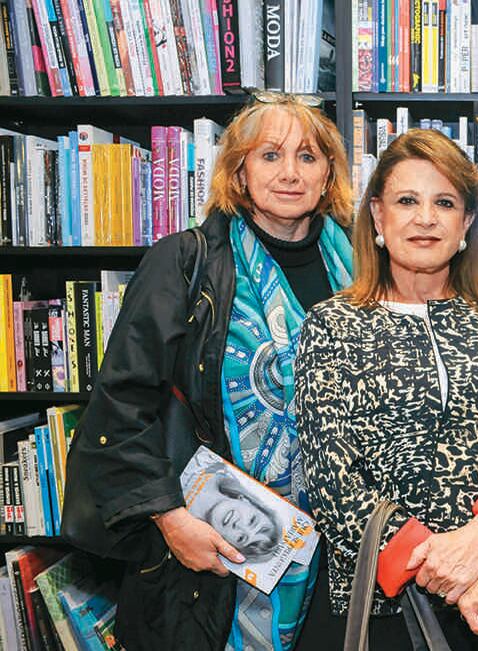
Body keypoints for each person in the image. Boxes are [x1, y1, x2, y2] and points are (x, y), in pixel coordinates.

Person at [63, 92, 354, 651]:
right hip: (208, 556)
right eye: (270, 156)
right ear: (239, 172)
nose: (290, 173)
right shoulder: (185, 261)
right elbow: (121, 406)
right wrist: (171, 521)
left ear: (329, 174)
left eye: (308, 157)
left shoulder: (365, 269)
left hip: (342, 559)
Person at [295, 128, 478, 650]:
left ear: (465, 223)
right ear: (377, 217)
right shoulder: (332, 325)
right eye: (406, 201)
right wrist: (455, 574)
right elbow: (334, 479)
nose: (425, 218)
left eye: (444, 202)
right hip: (390, 609)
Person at [185, 461, 283, 563]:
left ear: (226, 543)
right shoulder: (215, 464)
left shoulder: (183, 536)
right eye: (252, 520)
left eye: (241, 538)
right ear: (248, 501)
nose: (239, 525)